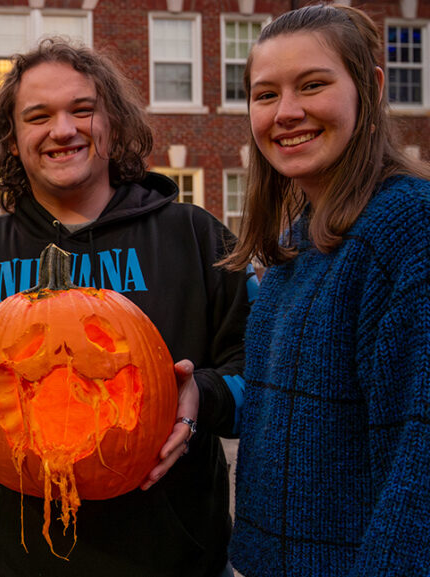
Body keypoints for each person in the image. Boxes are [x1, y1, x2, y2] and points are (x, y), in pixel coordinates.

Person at [0, 38, 256, 577]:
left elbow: (259, 369)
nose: (62, 130)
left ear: (112, 123)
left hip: (171, 557)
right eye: (38, 116)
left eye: (81, 110)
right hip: (4, 559)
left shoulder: (194, 237)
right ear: (13, 139)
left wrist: (199, 397)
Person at [221, 5, 430, 576]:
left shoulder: (409, 228)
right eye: (265, 95)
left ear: (370, 86)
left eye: (312, 85)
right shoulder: (298, 243)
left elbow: (419, 461)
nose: (286, 113)